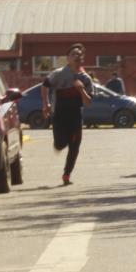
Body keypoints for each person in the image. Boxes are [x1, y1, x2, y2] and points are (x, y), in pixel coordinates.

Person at [41, 43, 94, 186]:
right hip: (59, 115)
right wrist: (46, 104)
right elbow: (44, 86)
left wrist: (81, 90)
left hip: (76, 116)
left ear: (82, 58)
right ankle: (59, 144)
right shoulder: (58, 74)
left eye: (79, 54)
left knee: (74, 146)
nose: (77, 56)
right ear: (68, 58)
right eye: (73, 54)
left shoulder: (86, 78)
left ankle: (66, 174)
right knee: (60, 145)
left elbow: (89, 103)